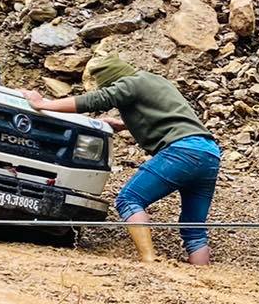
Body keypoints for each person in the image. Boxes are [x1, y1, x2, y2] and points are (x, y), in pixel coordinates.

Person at [23, 55, 221, 265]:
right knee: (193, 226)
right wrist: (125, 124)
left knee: (129, 199)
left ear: (113, 81)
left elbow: (94, 100)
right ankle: (202, 275)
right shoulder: (155, 80)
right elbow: (170, 114)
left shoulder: (130, 84)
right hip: (209, 154)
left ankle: (149, 261)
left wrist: (44, 104)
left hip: (182, 151)